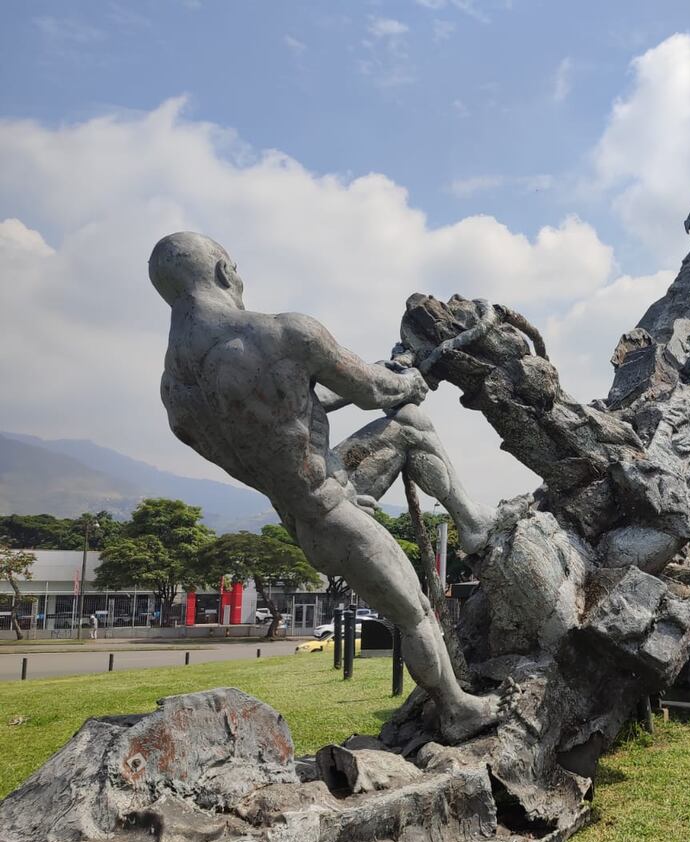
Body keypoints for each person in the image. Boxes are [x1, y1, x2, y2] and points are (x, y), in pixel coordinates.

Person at [148, 232, 507, 743]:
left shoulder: (175, 395)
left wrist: (382, 382)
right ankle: (456, 708)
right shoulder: (285, 333)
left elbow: (282, 417)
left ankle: (472, 525)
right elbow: (379, 391)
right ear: (226, 271)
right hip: (335, 518)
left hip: (300, 516)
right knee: (414, 614)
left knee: (406, 427)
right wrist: (405, 379)